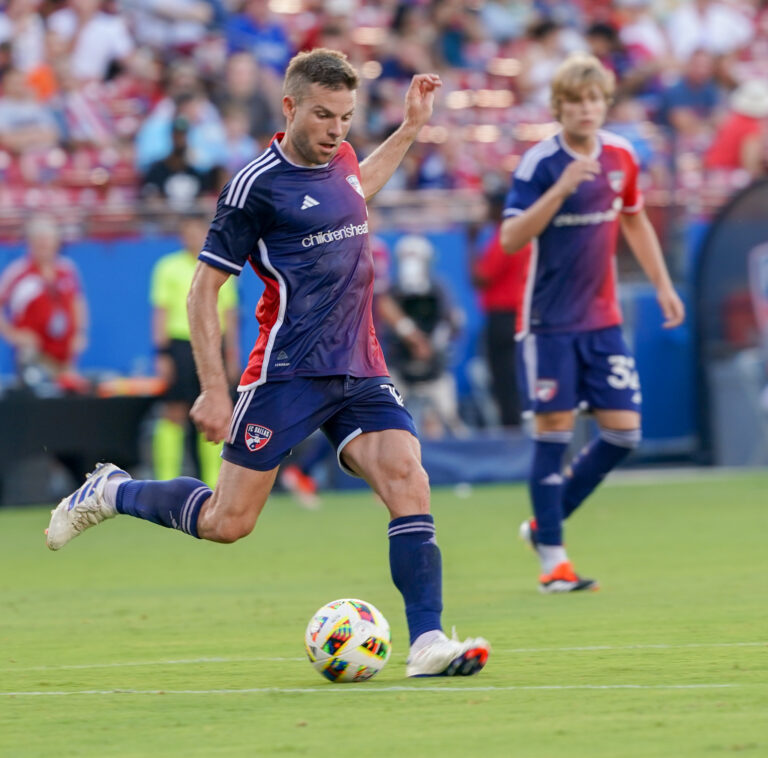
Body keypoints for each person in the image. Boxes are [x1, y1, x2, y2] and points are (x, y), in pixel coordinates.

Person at [46, 48, 490, 678]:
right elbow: (204, 289)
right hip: (286, 372)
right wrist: (213, 388)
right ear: (289, 108)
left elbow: (359, 188)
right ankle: (114, 491)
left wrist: (411, 128)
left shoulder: (340, 160)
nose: (336, 130)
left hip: (358, 365)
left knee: (407, 478)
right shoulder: (253, 187)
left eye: (345, 116)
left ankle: (426, 645)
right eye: (323, 116)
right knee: (228, 522)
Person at [500, 53, 685, 593]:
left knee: (624, 433)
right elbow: (511, 239)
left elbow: (633, 220)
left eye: (594, 99)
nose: (585, 109)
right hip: (548, 322)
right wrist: (561, 191)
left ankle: (543, 526)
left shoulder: (623, 156)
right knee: (554, 431)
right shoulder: (540, 165)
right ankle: (554, 562)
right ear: (559, 107)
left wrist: (663, 284)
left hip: (602, 320)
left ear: (606, 103)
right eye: (575, 101)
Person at [150, 211, 240, 488]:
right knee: (174, 411)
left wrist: (232, 353)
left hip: (214, 344)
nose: (193, 237)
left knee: (218, 413)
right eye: (188, 231)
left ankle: (214, 483)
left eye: (198, 231)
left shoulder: (221, 266)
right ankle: (165, 481)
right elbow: (160, 312)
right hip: (180, 344)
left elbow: (230, 314)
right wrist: (162, 354)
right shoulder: (167, 267)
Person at [0, 213, 88, 384]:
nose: (44, 245)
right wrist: (13, 334)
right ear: (30, 243)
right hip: (34, 354)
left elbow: (78, 302)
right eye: (39, 240)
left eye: (48, 239)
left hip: (65, 354)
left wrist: (80, 332)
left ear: (56, 242)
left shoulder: (67, 270)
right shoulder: (18, 273)